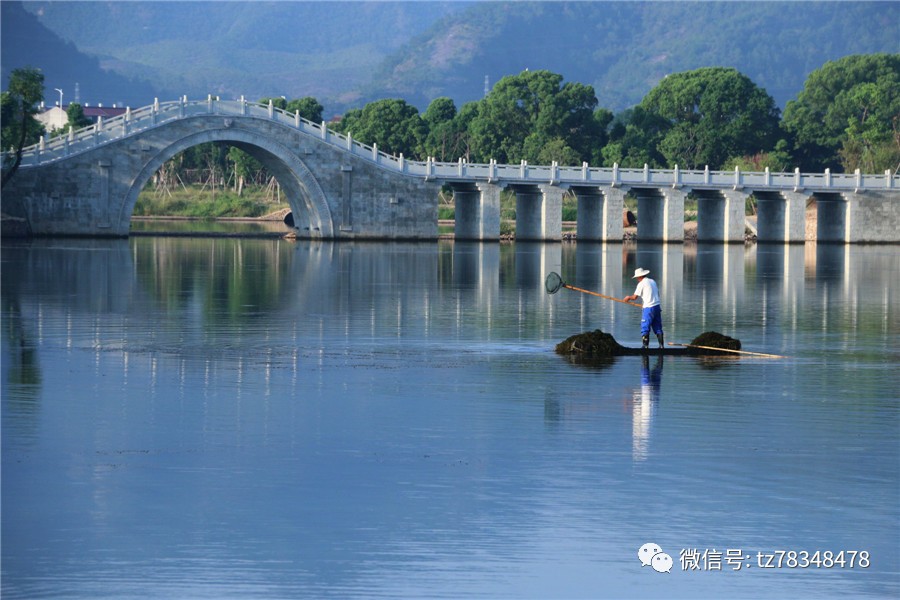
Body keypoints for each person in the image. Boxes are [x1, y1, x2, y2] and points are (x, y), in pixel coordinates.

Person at [623, 267, 664, 349]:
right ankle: (661, 346)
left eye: (637, 277)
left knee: (645, 326)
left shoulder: (641, 284)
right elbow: (657, 294)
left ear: (639, 276)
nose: (637, 279)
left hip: (648, 308)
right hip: (657, 306)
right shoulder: (653, 281)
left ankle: (645, 346)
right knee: (658, 327)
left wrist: (628, 297)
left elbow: (634, 297)